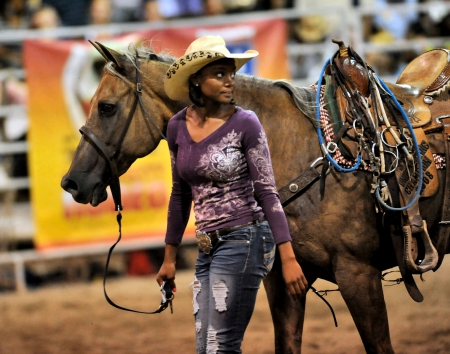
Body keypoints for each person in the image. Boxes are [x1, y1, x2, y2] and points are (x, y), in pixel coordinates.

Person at [157, 35, 308, 353]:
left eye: (231, 74)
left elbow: (266, 192)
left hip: (246, 238)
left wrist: (288, 256)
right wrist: (169, 258)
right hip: (207, 247)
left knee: (220, 345)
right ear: (196, 79)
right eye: (220, 74)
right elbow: (180, 194)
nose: (230, 81)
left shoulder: (246, 123)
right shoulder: (176, 128)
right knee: (207, 347)